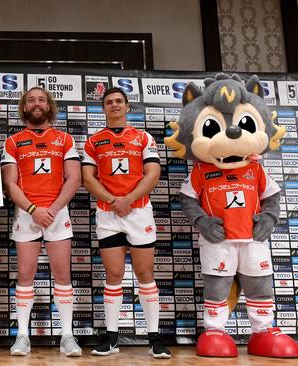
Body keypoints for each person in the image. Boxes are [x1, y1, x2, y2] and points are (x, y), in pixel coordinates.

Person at [81, 87, 170, 358]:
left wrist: (128, 199)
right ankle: (111, 338)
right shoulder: (94, 141)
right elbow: (88, 177)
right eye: (109, 102)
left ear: (127, 106)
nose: (114, 105)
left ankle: (154, 339)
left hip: (138, 212)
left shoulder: (142, 137)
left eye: (119, 101)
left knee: (145, 274)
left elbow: (153, 173)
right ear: (104, 108)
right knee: (114, 275)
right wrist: (114, 201)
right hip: (108, 215)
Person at [1, 86, 82, 357]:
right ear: (24, 107)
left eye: (42, 100)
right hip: (27, 213)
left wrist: (54, 208)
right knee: (25, 274)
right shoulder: (13, 141)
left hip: (57, 214)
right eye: (31, 100)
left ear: (49, 106)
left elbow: (75, 178)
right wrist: (34, 209)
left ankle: (67, 336)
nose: (37, 104)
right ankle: (22, 336)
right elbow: (9, 184)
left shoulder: (65, 139)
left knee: (63, 275)